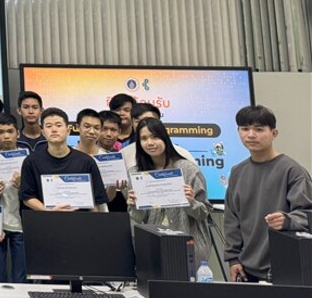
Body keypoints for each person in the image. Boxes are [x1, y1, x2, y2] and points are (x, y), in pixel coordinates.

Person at [224, 105, 312, 282]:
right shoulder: (237, 172)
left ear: (274, 133)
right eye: (245, 129)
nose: (251, 135)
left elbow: (308, 213)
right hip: (246, 268)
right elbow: (232, 219)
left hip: (286, 267)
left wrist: (288, 220)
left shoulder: (292, 171)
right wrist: (233, 258)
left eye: (259, 129)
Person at [126, 118, 213, 263]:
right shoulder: (136, 173)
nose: (150, 143)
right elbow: (138, 218)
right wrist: (134, 206)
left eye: (155, 137)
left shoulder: (188, 169)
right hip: (154, 246)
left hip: (187, 246)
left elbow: (204, 213)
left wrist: (191, 202)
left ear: (165, 138)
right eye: (144, 138)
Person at [19, 107, 107, 212]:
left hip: (81, 220)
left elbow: (96, 201)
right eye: (48, 126)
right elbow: (27, 197)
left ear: (68, 130)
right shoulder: (31, 161)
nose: (54, 130)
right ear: (43, 132)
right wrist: (49, 212)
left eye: (58, 125)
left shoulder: (86, 161)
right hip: (47, 219)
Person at [0, 112, 27, 283]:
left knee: (21, 276)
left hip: (21, 224)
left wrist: (23, 187)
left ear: (18, 133)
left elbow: (37, 194)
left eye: (10, 131)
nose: (6, 136)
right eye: (1, 132)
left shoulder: (29, 159)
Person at [119, 103, 197, 166]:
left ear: (159, 123)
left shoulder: (183, 155)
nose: (143, 124)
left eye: (148, 120)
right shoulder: (123, 155)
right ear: (132, 124)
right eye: (138, 121)